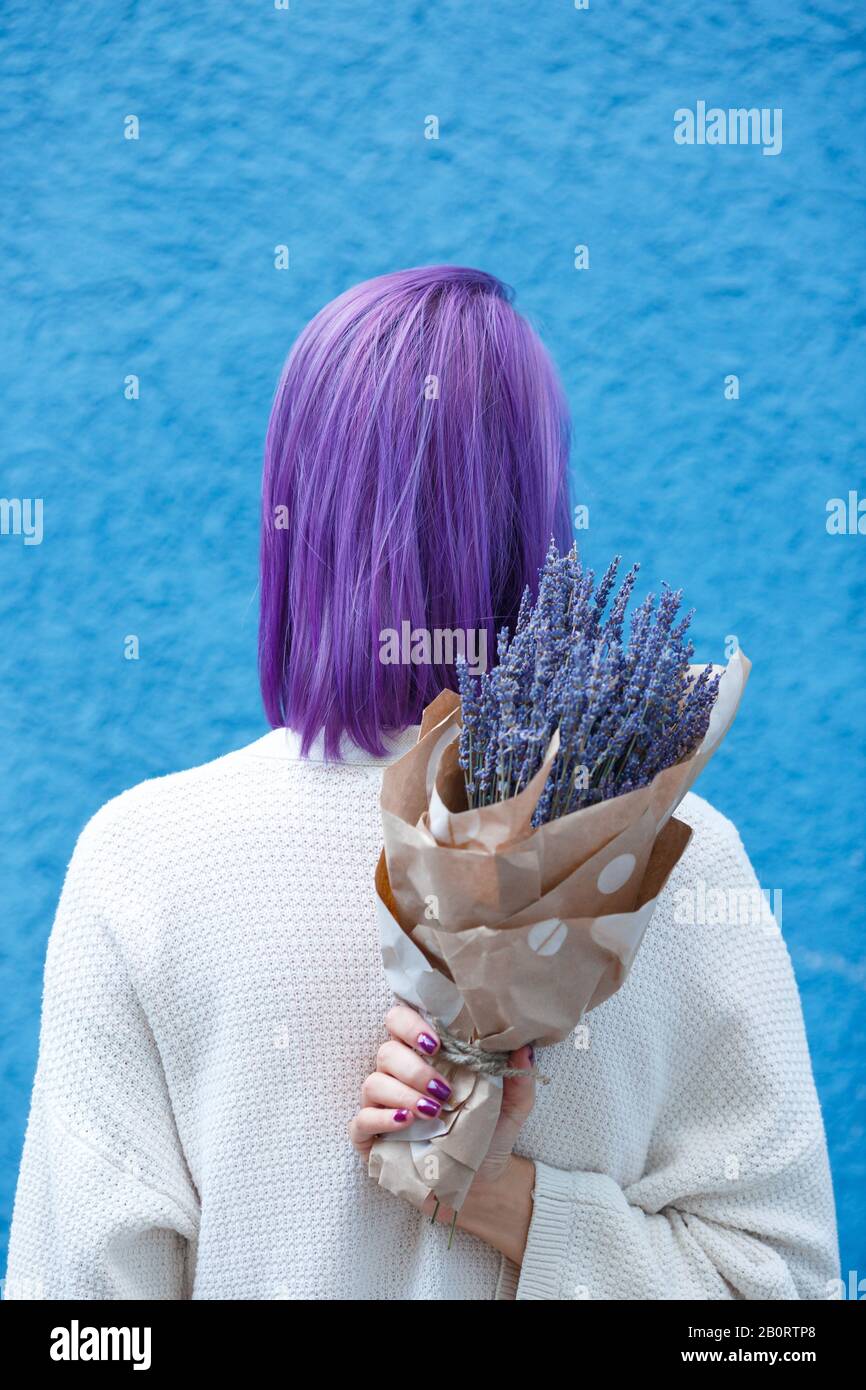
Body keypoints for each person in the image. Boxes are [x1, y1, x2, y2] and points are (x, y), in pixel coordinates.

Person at [4, 267, 839, 1300]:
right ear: (538, 503)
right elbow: (781, 1317)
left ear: (294, 509)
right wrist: (535, 1220)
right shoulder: (669, 856)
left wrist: (489, 1190)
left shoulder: (145, 862)